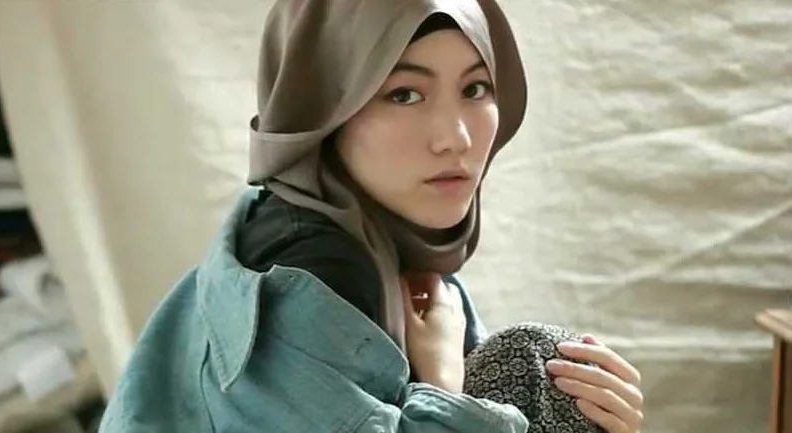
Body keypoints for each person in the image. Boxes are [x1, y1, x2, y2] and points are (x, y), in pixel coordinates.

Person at [98, 0, 645, 432]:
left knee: (545, 369)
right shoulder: (316, 265)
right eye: (404, 94)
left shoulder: (359, 231)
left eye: (475, 89)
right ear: (322, 108)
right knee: (537, 367)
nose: (454, 137)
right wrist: (443, 382)